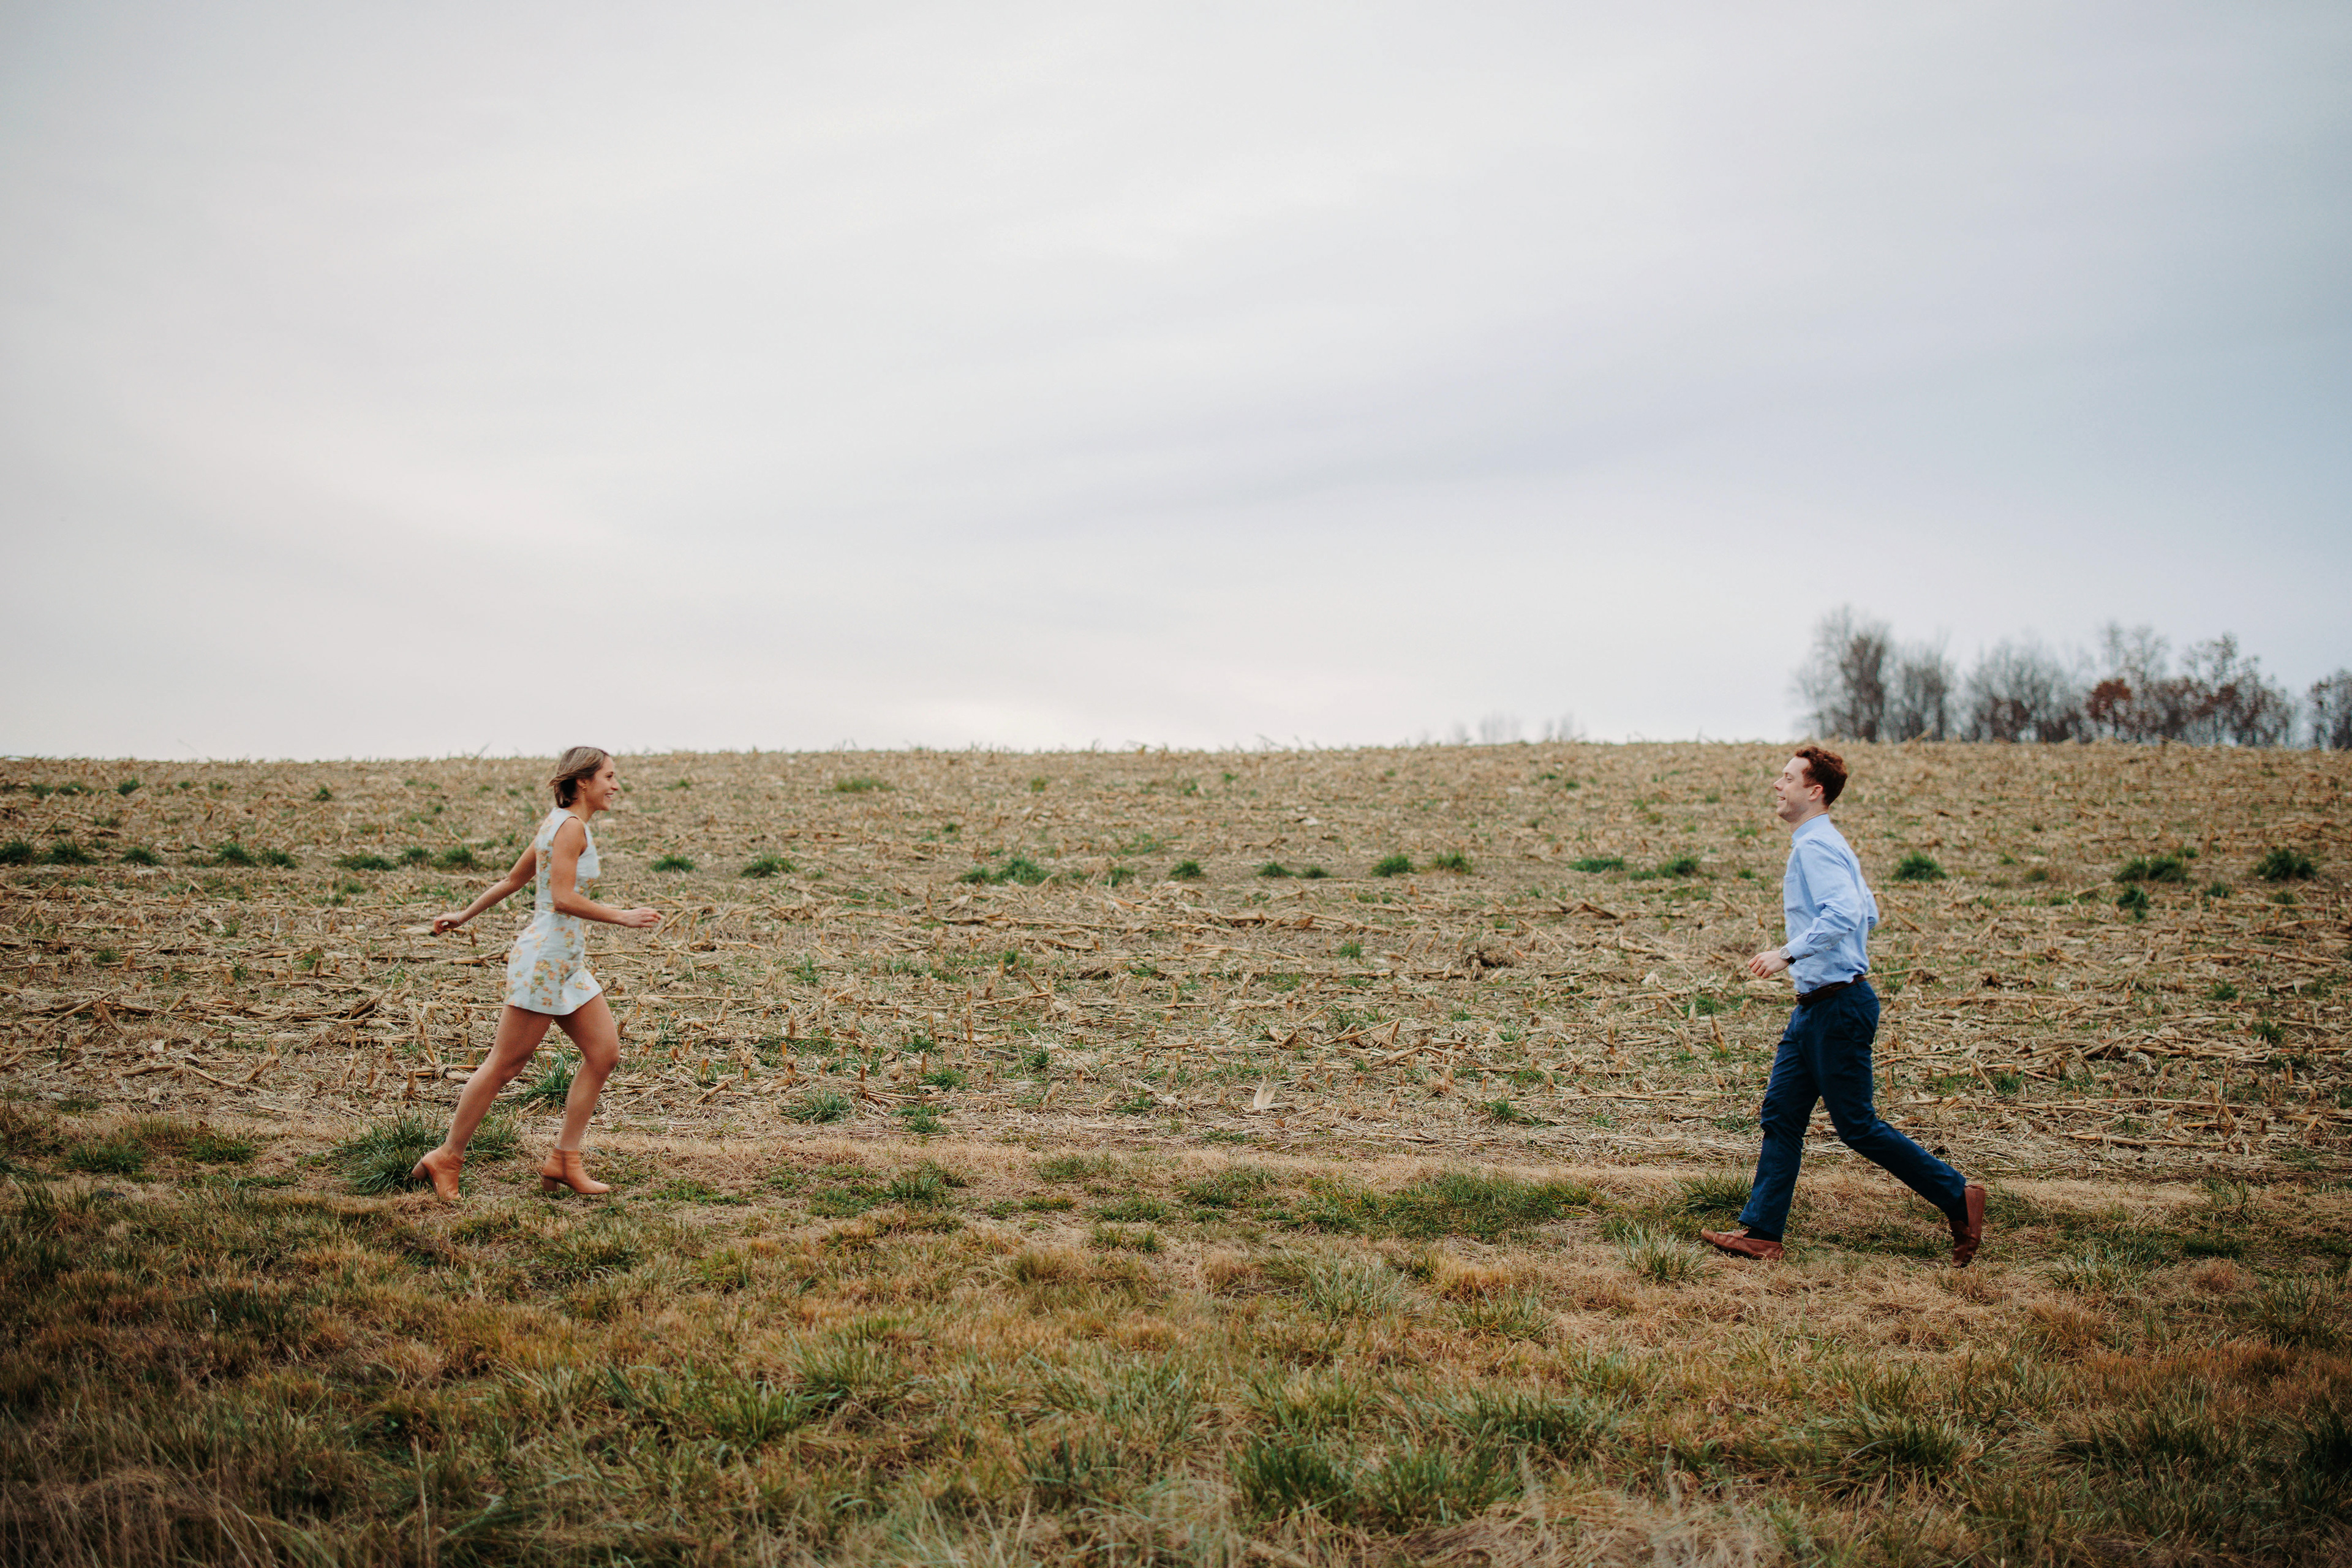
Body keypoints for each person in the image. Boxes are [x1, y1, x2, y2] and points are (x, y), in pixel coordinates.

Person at [1700, 745, 1987, 1267]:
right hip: (1817, 1006)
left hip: (1837, 1006)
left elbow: (1847, 912)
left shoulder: (1815, 846)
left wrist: (1787, 954)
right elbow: (1869, 913)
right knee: (1782, 1115)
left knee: (1856, 1125)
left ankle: (1957, 1194)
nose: (1777, 785)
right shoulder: (1828, 842)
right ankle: (1762, 1233)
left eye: (1788, 778)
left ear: (1816, 791)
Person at [409, 747, 659, 1200]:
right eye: (609, 776)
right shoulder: (570, 827)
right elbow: (561, 898)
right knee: (505, 1064)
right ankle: (446, 1157)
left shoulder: (557, 823)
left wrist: (463, 915)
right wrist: (622, 916)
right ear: (583, 781)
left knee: (604, 1054)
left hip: (566, 964)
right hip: (545, 961)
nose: (616, 785)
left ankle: (564, 1160)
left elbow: (513, 881)